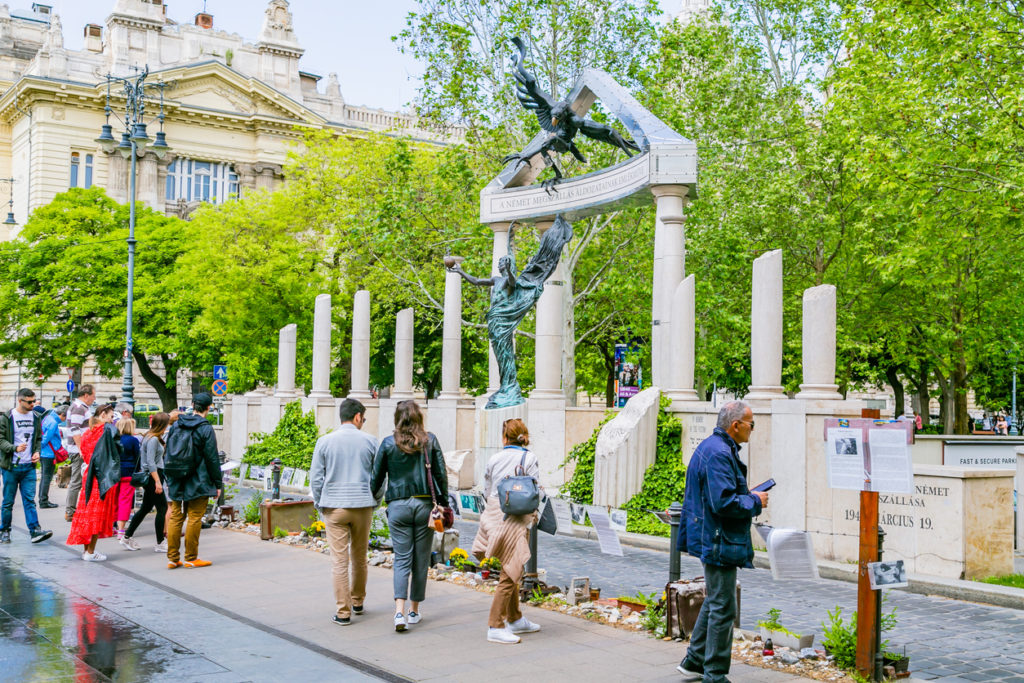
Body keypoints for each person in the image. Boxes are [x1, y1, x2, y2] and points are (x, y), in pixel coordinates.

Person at [677, 401, 768, 683]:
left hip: (713, 535)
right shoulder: (719, 454)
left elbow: (720, 495)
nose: (753, 429)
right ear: (735, 425)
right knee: (724, 606)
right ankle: (714, 674)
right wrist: (754, 500)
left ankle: (694, 660)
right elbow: (723, 502)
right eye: (751, 423)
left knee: (717, 600)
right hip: (718, 538)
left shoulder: (714, 448)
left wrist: (747, 495)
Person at [371, 400, 448, 632]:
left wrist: (374, 497)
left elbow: (375, 479)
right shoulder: (430, 440)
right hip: (425, 506)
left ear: (397, 418)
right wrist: (443, 503)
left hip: (398, 506)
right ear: (418, 418)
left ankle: (398, 612)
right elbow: (440, 474)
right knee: (421, 559)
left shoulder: (387, 443)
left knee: (402, 558)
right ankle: (414, 610)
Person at [310, 398, 381, 626]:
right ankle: (358, 601)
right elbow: (380, 478)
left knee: (339, 562)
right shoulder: (371, 441)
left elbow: (316, 478)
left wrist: (321, 503)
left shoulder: (325, 441)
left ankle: (343, 612)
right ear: (358, 417)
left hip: (334, 507)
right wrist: (375, 501)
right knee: (359, 557)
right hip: (362, 506)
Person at [472, 418, 542, 644]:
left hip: (494, 514)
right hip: (517, 517)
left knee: (511, 567)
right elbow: (536, 490)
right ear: (524, 436)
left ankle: (514, 618)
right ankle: (495, 625)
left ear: (504, 438)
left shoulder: (494, 458)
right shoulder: (529, 458)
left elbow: (488, 489)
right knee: (510, 572)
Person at [164, 393, 222, 569]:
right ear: (208, 407)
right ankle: (191, 557)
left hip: (176, 477)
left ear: (192, 405)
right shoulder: (205, 428)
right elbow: (212, 458)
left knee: (176, 516)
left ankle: (173, 559)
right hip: (198, 478)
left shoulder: (176, 425)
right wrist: (217, 483)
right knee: (195, 517)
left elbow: (168, 451)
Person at [66, 404, 120, 561]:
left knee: (87, 512)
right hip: (101, 476)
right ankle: (90, 552)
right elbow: (115, 451)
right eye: (110, 416)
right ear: (103, 414)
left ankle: (87, 551)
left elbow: (85, 452)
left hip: (89, 475)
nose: (112, 420)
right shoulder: (105, 431)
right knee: (97, 514)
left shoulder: (88, 433)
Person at [0, 389, 53, 544]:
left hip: (28, 466)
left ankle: (35, 530)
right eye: (29, 402)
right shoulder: (7, 417)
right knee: (8, 501)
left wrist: (36, 451)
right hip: (11, 466)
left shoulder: (36, 417)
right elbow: (1, 439)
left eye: (34, 401)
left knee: (29, 500)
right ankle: (5, 531)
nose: (32, 404)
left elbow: (38, 438)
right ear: (20, 401)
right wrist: (13, 448)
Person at [123, 413, 170, 553]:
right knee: (162, 508)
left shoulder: (150, 436)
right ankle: (160, 542)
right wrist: (157, 481)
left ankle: (127, 536)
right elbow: (150, 462)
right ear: (162, 424)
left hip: (151, 476)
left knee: (145, 508)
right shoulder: (153, 439)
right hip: (153, 476)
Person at [65, 384, 96, 522]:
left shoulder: (81, 407)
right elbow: (75, 429)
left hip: (79, 449)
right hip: (79, 450)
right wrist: (81, 449)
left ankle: (73, 510)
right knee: (76, 480)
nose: (94, 399)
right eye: (93, 396)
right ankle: (70, 511)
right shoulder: (78, 408)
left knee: (79, 480)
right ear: (86, 395)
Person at [115, 417, 141, 550]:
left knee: (114, 500)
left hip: (114, 473)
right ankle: (121, 530)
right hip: (128, 473)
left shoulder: (115, 439)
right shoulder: (133, 440)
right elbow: (138, 458)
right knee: (125, 501)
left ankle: (111, 525)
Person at [38, 404, 67, 509]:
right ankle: (44, 501)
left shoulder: (47, 418)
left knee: (44, 477)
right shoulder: (53, 423)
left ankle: (42, 498)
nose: (65, 420)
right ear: (62, 415)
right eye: (65, 417)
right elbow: (45, 439)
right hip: (48, 454)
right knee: (47, 477)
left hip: (44, 453)